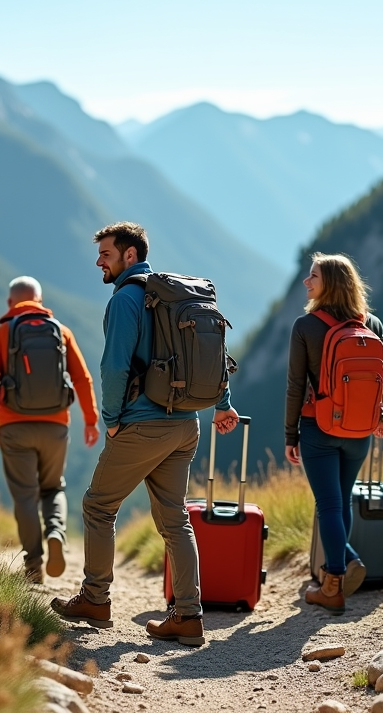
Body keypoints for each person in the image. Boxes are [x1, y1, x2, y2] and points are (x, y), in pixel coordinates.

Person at [51, 221, 240, 647]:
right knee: (175, 519)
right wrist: (223, 404)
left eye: (105, 253)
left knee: (99, 507)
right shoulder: (175, 298)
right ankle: (188, 616)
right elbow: (212, 356)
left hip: (142, 423)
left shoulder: (127, 300)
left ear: (129, 255)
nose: (99, 261)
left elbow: (114, 366)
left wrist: (112, 417)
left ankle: (95, 600)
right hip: (185, 425)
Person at [285, 253, 383, 612]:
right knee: (342, 501)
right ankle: (343, 564)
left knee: (329, 505)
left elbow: (295, 385)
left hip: (318, 426)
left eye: (313, 276)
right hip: (359, 428)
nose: (307, 281)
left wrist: (290, 435)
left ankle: (333, 584)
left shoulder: (306, 326)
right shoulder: (372, 323)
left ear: (329, 282)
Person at [0, 276, 100, 583]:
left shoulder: (1, 334)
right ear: (40, 301)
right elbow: (82, 379)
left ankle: (33, 564)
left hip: (14, 427)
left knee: (25, 496)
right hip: (56, 426)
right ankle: (55, 531)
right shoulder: (62, 332)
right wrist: (92, 419)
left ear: (10, 303)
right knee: (53, 488)